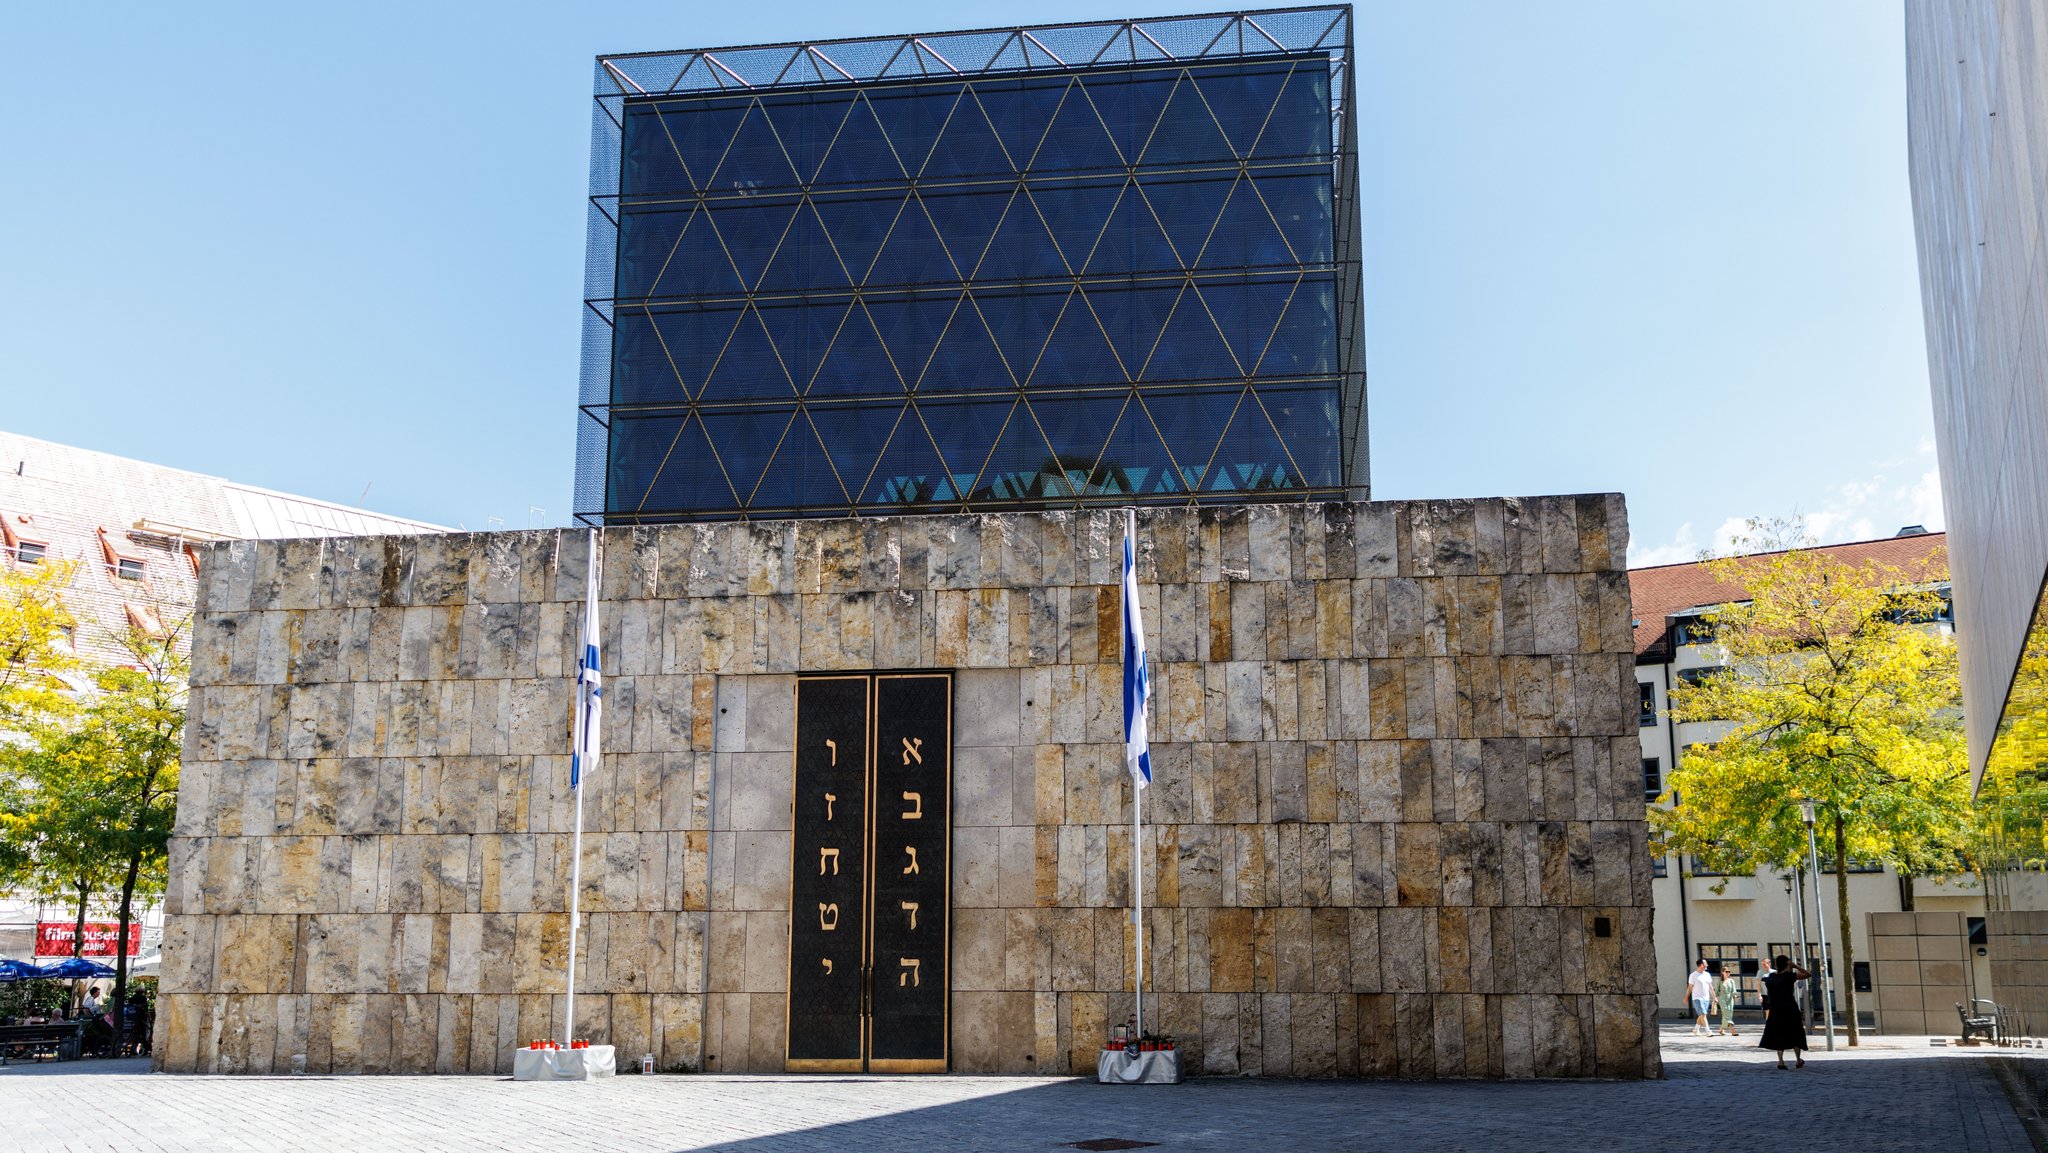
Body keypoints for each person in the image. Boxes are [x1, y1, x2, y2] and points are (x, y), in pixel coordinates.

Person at [1759, 953, 1812, 1069]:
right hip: (1790, 1008)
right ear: (1787, 963)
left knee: (1779, 1033)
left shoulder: (1772, 977)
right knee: (1795, 1032)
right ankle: (1798, 1060)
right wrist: (1796, 966)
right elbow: (1808, 974)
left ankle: (1781, 1061)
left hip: (1776, 1009)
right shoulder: (1789, 976)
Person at [1687, 959, 1715, 1036]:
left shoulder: (1707, 975)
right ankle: (1708, 1031)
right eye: (1706, 964)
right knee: (1703, 1014)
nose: (1707, 965)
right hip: (1697, 998)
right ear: (1701, 965)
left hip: (1706, 998)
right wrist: (1686, 997)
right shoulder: (1693, 975)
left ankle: (1696, 1029)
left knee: (1702, 1015)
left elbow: (1710, 987)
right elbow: (1690, 987)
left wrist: (1714, 997)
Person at [1716, 965, 1740, 1036]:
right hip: (1722, 999)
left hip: (1730, 999)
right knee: (1726, 1013)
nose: (1728, 973)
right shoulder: (1719, 982)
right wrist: (1715, 999)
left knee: (1727, 1014)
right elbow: (1716, 992)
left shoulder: (1731, 981)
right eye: (1726, 972)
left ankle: (1721, 1029)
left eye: (1729, 972)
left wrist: (1735, 996)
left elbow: (1734, 990)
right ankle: (1733, 1030)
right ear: (1722, 972)